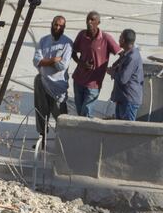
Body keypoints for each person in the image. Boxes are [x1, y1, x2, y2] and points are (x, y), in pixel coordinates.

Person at [71, 11, 120, 118]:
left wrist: (114, 68)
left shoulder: (106, 38)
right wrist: (81, 63)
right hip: (78, 80)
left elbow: (120, 53)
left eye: (92, 20)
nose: (89, 22)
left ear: (98, 22)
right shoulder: (81, 35)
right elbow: (73, 52)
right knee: (80, 113)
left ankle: (86, 134)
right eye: (88, 19)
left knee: (86, 114)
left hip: (93, 85)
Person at [32, 15, 72, 145]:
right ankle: (42, 139)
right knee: (41, 112)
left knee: (61, 117)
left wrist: (46, 62)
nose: (58, 27)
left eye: (61, 26)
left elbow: (62, 65)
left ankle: (65, 143)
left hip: (58, 86)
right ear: (52, 24)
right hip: (42, 82)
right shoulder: (43, 41)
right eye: (56, 24)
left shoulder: (67, 43)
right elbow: (36, 61)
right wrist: (53, 60)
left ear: (64, 28)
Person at [108, 29, 144, 121]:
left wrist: (112, 72)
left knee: (127, 129)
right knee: (119, 130)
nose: (118, 39)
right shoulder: (127, 54)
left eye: (120, 37)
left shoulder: (132, 57)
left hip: (129, 100)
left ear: (123, 40)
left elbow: (123, 79)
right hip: (122, 98)